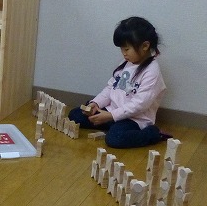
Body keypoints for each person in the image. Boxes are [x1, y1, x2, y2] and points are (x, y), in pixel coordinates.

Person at [68, 16, 168, 149]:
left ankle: (153, 134)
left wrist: (111, 116)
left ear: (145, 46)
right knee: (75, 115)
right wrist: (95, 103)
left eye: (126, 49)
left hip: (134, 119)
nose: (123, 53)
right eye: (121, 49)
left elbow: (139, 105)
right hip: (113, 112)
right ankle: (112, 125)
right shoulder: (126, 63)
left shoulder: (152, 72)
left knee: (115, 139)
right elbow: (110, 88)